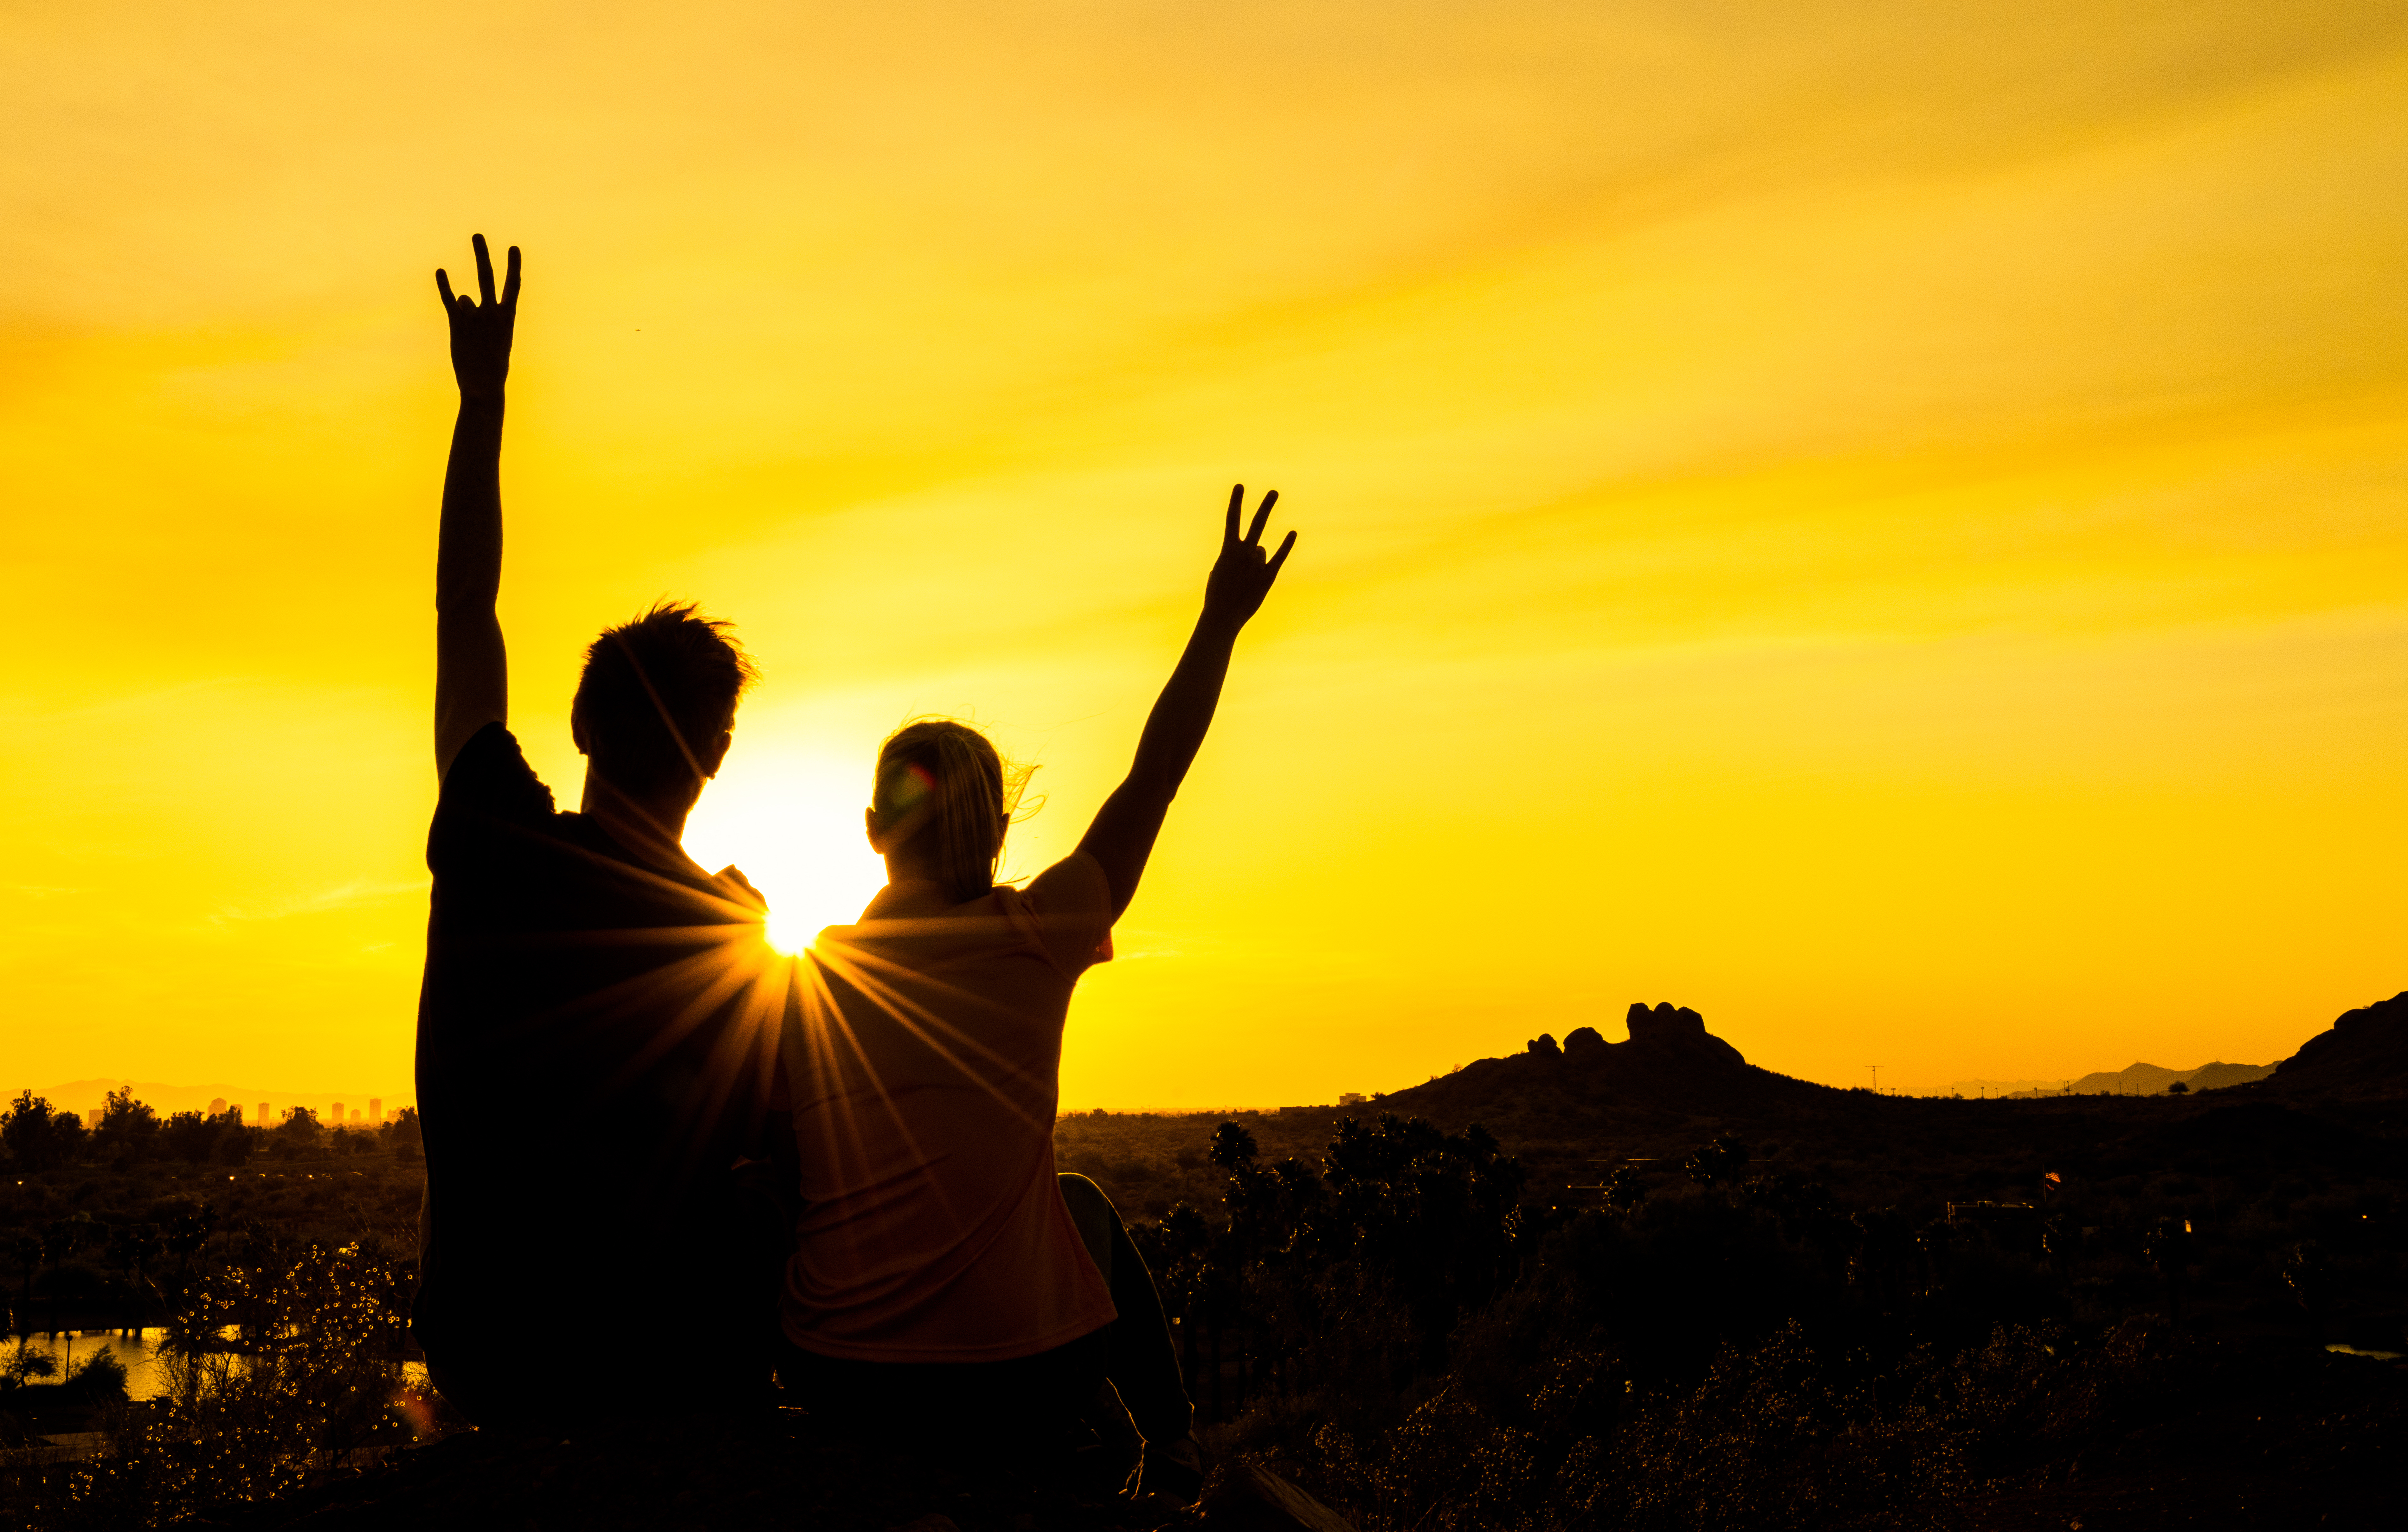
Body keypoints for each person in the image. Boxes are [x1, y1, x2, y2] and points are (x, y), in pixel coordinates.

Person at [778, 487, 1296, 1495]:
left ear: (873, 830)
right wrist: (1219, 623)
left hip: (840, 1380)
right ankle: (1174, 1444)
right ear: (1000, 833)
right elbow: (1156, 778)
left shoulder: (805, 980)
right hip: (1014, 1382)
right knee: (1082, 1203)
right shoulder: (1036, 935)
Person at [413, 235, 789, 1428]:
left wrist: (483, 404)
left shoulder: (495, 837)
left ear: (579, 721)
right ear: (721, 757)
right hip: (674, 1368)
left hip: (491, 1353)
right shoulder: (737, 932)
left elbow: (464, 611)